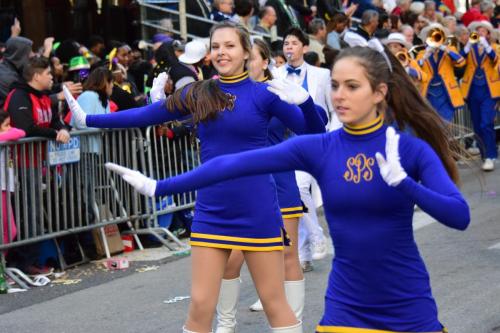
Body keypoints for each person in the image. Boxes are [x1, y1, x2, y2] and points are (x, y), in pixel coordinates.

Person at [107, 43, 470, 332]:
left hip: (408, 312)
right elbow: (230, 164)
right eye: (336, 86)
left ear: (380, 93)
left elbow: (459, 215)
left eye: (352, 86)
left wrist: (406, 185)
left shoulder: (409, 150)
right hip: (344, 312)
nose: (340, 95)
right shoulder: (322, 149)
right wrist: (160, 186)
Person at [66, 21, 326, 333]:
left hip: (257, 208)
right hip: (211, 209)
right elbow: (146, 115)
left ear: (246, 52)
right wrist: (89, 119)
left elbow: (314, 133)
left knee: (273, 301)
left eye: (230, 45)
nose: (221, 52)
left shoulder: (265, 95)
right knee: (201, 304)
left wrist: (306, 103)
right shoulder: (198, 92)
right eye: (215, 46)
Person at [214, 38, 326, 332]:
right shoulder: (226, 94)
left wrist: (303, 101)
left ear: (265, 62)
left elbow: (315, 127)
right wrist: (159, 102)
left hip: (278, 182)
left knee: (287, 255)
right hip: (242, 187)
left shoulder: (274, 94)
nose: (244, 62)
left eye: (251, 57)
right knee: (229, 261)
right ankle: (225, 326)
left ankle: (294, 324)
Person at [274, 27, 338, 272]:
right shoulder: (275, 74)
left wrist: (332, 137)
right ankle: (304, 251)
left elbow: (334, 109)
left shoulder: (322, 75)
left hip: (317, 140)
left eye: (293, 43)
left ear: (305, 47)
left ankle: (315, 236)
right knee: (295, 192)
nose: (289, 47)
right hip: (287, 144)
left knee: (301, 190)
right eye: (286, 43)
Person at [460, 21, 499, 171]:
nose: (480, 34)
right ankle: (485, 156)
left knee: (486, 123)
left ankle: (490, 155)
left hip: (489, 92)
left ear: (488, 34)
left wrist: (487, 47)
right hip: (472, 91)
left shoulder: (495, 48)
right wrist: (467, 47)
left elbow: (496, 60)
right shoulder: (470, 49)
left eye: (484, 31)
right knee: (477, 126)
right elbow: (458, 62)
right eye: (478, 31)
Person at [416, 24, 465, 122]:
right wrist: (425, 56)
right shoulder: (421, 54)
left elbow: (461, 62)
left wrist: (446, 50)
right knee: (432, 124)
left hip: (446, 93)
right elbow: (416, 71)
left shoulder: (450, 50)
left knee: (445, 123)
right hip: (428, 93)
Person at [0, 110, 25, 245]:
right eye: (6, 125)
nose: (10, 128)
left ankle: (2, 263)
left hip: (5, 187)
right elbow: (17, 132)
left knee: (10, 231)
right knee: (10, 231)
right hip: (1, 188)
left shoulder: (5, 137)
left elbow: (20, 132)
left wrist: (6, 131)